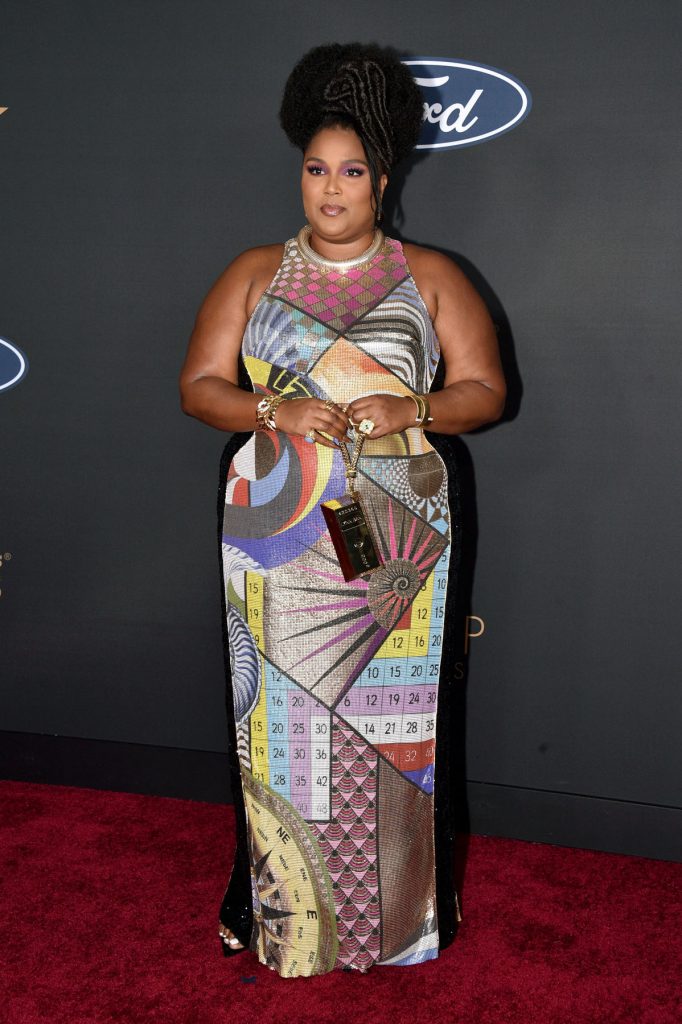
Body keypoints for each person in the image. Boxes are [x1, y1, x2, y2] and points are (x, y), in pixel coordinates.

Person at [179, 42, 505, 978]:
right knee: (271, 724)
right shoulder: (253, 271)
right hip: (275, 525)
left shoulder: (430, 275)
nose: (330, 189)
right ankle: (268, 899)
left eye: (351, 171)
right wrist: (274, 408)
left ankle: (409, 909)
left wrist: (419, 408)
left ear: (383, 178)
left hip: (395, 529)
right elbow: (200, 388)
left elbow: (487, 389)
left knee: (398, 729)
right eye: (316, 170)